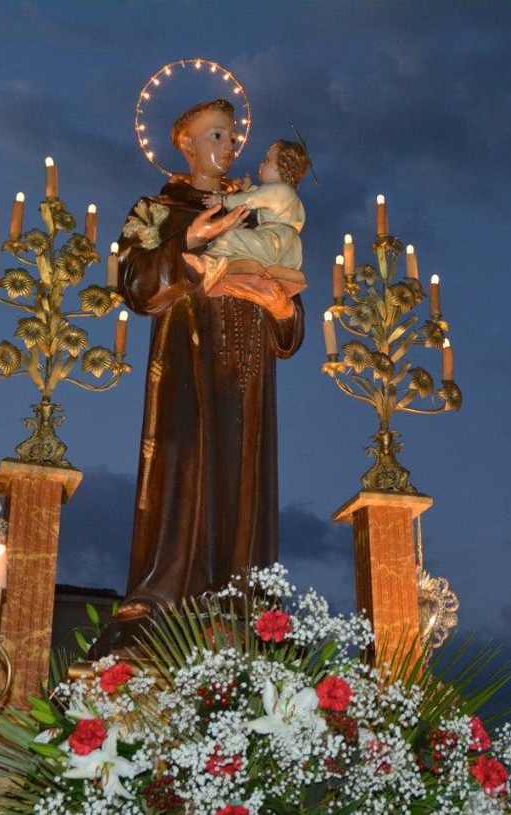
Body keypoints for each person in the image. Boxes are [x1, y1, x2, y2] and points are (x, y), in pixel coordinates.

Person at [98, 98, 305, 653]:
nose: (228, 146)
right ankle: (161, 595)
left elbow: (288, 305)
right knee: (182, 466)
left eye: (232, 136)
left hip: (247, 368)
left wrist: (282, 310)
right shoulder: (157, 210)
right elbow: (135, 285)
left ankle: (242, 605)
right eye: (215, 135)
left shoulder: (258, 209)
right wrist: (187, 242)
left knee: (242, 476)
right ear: (186, 145)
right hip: (186, 363)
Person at [183, 139, 310, 297]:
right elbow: (261, 196)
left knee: (232, 237)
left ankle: (207, 264)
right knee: (245, 253)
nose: (262, 164)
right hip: (291, 252)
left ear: (280, 167)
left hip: (272, 241)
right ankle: (251, 269)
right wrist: (248, 187)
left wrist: (222, 200)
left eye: (267, 160)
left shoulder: (278, 189)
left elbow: (250, 200)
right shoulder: (289, 195)